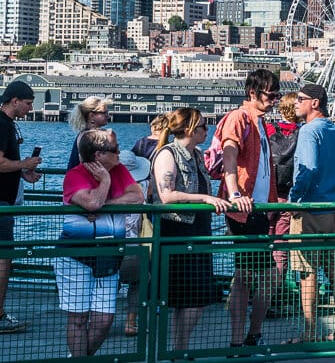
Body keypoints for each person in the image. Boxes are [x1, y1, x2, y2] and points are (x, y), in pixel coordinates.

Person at [54, 129, 144, 357]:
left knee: (104, 319)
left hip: (110, 255)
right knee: (79, 317)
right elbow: (92, 202)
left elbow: (137, 196)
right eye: (114, 150)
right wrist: (104, 181)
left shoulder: (120, 170)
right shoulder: (74, 175)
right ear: (98, 155)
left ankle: (80, 358)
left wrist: (108, 203)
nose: (119, 153)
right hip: (76, 256)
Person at [152, 108, 231, 351]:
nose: (206, 131)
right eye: (202, 127)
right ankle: (177, 348)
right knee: (188, 296)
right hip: (177, 228)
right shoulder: (167, 154)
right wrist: (204, 199)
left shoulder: (196, 154)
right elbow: (166, 195)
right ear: (189, 129)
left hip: (198, 229)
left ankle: (179, 347)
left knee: (193, 297)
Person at [218, 69, 281, 348]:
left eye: (277, 95)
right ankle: (249, 334)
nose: (275, 100)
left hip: (256, 209)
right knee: (266, 275)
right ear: (253, 93)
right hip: (244, 210)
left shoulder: (260, 123)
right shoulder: (239, 118)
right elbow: (229, 155)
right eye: (271, 94)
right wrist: (234, 193)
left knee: (244, 276)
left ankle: (241, 336)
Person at [288, 83, 335, 342]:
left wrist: (294, 198)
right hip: (332, 208)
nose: (295, 103)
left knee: (307, 272)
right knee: (334, 270)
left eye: (300, 99)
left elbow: (309, 167)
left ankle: (311, 331)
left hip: (310, 208)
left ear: (314, 102)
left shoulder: (309, 131)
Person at [0, 81, 42, 333]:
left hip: (5, 200)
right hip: (2, 205)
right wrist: (25, 162)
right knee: (4, 259)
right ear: (14, 100)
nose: (29, 108)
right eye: (27, 103)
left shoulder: (8, 125)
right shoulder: (2, 124)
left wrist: (23, 173)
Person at [117, 149, 152, 338]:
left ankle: (96, 319)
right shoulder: (144, 186)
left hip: (111, 246)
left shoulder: (109, 185)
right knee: (140, 280)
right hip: (135, 246)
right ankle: (131, 322)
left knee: (104, 281)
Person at [265, 92, 300, 278]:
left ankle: (258, 290)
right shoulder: (302, 132)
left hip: (268, 194)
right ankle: (275, 291)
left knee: (264, 241)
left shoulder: (269, 129)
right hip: (288, 195)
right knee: (281, 246)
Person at [67, 97, 112, 170]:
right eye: (104, 113)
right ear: (92, 116)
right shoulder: (89, 137)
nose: (108, 116)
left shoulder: (84, 134)